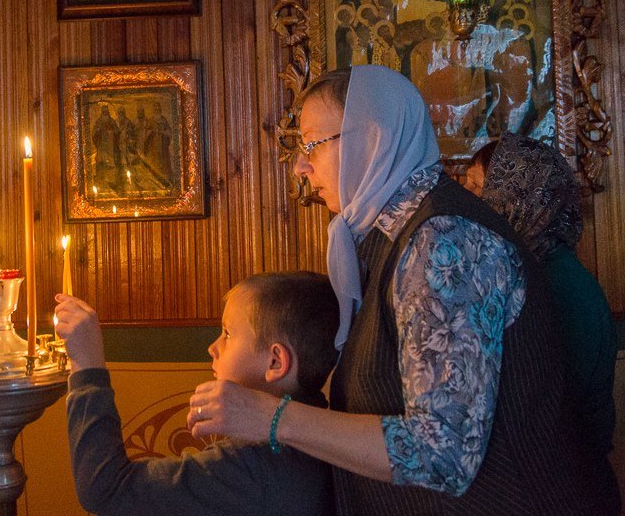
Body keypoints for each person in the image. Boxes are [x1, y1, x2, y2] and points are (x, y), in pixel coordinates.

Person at [186, 65, 618, 514]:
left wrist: (271, 418)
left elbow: (443, 452)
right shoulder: (389, 235)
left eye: (312, 143)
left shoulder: (444, 240)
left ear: (372, 140)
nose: (300, 165)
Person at [54, 272, 338, 516]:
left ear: (275, 362)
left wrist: (87, 366)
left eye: (227, 334)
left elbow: (106, 489)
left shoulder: (253, 466)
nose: (213, 348)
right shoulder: (322, 431)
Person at [465, 134, 617, 472]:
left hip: (568, 479)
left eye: (478, 187)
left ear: (517, 196)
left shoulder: (552, 283)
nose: (470, 200)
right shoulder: (533, 268)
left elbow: (549, 408)